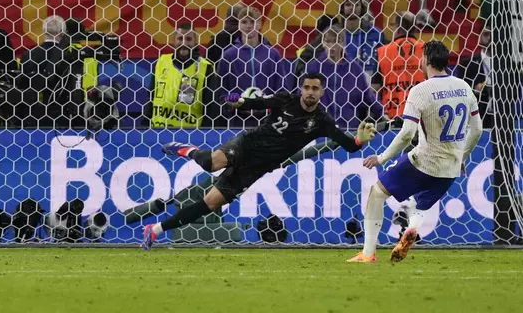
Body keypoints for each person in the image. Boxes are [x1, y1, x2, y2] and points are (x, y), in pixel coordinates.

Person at [141, 72, 378, 250]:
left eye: (315, 88)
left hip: (256, 169)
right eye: (306, 87)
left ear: (322, 92)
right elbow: (257, 103)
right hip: (247, 145)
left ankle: (155, 229)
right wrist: (239, 102)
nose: (310, 92)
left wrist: (360, 140)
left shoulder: (321, 121)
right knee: (212, 163)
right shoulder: (285, 100)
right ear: (301, 88)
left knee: (210, 204)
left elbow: (347, 145)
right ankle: (187, 150)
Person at [350, 41, 482, 263]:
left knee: (377, 193)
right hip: (449, 168)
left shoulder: (420, 91)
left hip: (424, 161)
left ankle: (368, 253)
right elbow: (477, 130)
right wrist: (462, 156)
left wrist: (382, 158)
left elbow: (406, 134)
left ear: (426, 60)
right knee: (419, 204)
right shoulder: (465, 87)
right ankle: (412, 229)